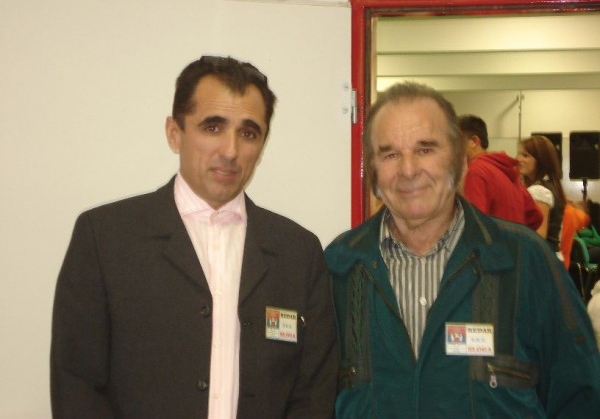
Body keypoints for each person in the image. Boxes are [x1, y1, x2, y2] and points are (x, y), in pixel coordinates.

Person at [50, 55, 338, 419]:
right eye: (213, 127)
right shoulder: (105, 238)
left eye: (248, 133)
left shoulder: (298, 252)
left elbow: (314, 392)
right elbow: (77, 385)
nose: (230, 151)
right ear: (175, 133)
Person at [325, 81, 600, 418]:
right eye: (390, 154)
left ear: (460, 162)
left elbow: (580, 396)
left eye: (426, 149)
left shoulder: (523, 261)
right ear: (373, 173)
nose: (408, 170)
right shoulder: (339, 267)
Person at [458, 114, 542, 230]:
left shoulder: (476, 172)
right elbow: (535, 217)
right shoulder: (505, 169)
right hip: (511, 241)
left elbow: (474, 226)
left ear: (474, 141)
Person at [517, 135, 567, 257]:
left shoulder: (539, 190)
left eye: (525, 156)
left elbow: (538, 237)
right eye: (519, 154)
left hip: (542, 260)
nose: (518, 159)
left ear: (540, 160)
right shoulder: (550, 185)